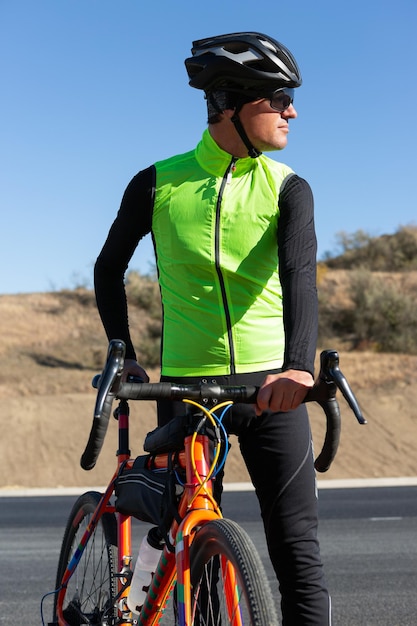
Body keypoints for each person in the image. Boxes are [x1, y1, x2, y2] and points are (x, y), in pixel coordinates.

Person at [94, 32, 331, 625]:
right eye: (278, 98)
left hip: (272, 387)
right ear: (231, 106)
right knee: (187, 553)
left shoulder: (288, 188)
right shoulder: (158, 182)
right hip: (183, 390)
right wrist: (121, 355)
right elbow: (108, 268)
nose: (291, 112)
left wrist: (299, 365)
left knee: (299, 553)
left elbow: (301, 276)